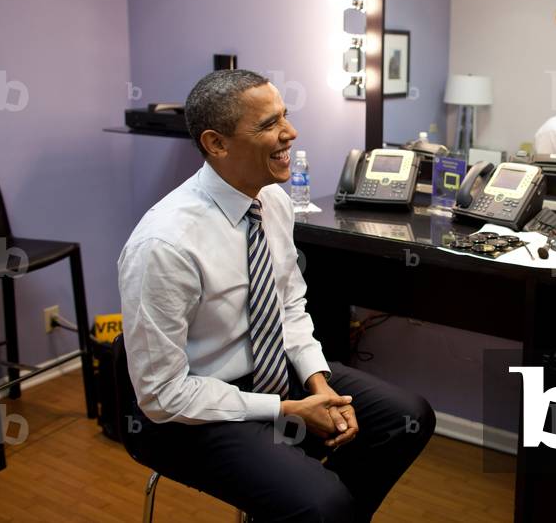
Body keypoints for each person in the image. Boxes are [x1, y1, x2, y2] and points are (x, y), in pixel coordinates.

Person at [119, 69, 434, 522]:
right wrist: (289, 409)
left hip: (269, 377)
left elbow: (287, 304)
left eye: (285, 116)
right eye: (268, 124)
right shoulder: (165, 245)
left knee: (407, 418)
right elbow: (162, 394)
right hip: (186, 412)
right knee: (322, 504)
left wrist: (319, 385)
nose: (290, 132)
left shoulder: (273, 202)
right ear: (216, 144)